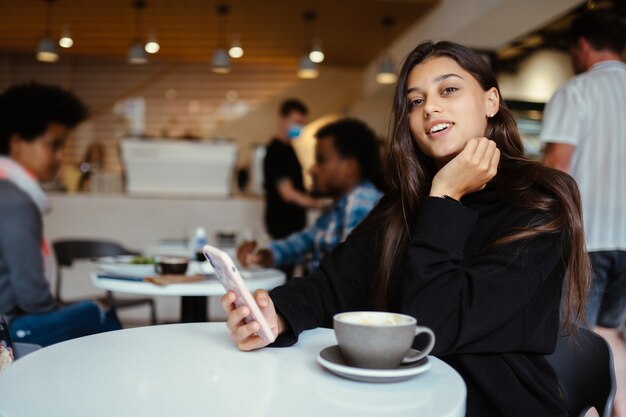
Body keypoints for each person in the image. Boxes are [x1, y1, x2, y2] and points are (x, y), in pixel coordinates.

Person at [222, 41, 591, 417]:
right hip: (399, 399)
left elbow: (436, 323)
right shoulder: (402, 203)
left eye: (448, 89)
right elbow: (333, 284)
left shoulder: (540, 203)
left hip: (496, 406)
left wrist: (446, 196)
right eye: (416, 101)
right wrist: (277, 314)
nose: (430, 107)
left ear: (491, 101)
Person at [541, 11, 626, 416]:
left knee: (572, 344)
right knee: (609, 332)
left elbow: (558, 166)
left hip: (586, 241)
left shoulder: (577, 91)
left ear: (582, 46)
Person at [0, 82, 121, 347]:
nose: (59, 156)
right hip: (7, 331)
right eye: (53, 145)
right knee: (98, 312)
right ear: (17, 143)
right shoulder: (13, 200)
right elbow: (31, 296)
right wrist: (63, 310)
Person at [237, 118, 384, 273]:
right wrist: (262, 255)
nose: (312, 170)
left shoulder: (361, 201)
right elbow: (301, 244)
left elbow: (347, 277)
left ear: (349, 167)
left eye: (321, 160)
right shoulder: (337, 208)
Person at [263, 99, 320, 241]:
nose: (299, 127)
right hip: (283, 225)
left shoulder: (290, 148)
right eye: (296, 122)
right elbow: (288, 193)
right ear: (283, 119)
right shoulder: (276, 150)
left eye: (302, 123)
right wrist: (318, 204)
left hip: (294, 224)